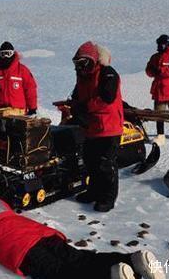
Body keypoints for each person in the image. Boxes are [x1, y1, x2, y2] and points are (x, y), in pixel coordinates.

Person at [0, 186, 165, 279]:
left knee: (62, 273)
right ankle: (132, 259)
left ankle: (112, 275)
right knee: (81, 258)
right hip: (43, 235)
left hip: (24, 251)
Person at [69, 41, 123, 212]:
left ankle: (108, 198)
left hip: (109, 126)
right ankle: (93, 191)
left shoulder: (108, 73)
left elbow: (107, 98)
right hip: (92, 127)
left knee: (106, 164)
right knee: (91, 162)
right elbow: (77, 95)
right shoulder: (83, 77)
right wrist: (75, 108)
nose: (79, 67)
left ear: (92, 60)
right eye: (77, 64)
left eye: (82, 63)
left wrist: (85, 107)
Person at [145, 34, 169, 145]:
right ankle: (160, 135)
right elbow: (148, 69)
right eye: (159, 44)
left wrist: (161, 71)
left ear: (167, 44)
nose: (160, 46)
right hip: (159, 90)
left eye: (162, 44)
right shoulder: (155, 57)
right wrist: (153, 71)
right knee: (158, 113)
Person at [0, 41, 38, 116]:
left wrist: (32, 108)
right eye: (3, 54)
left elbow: (30, 89)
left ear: (13, 54)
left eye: (8, 54)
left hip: (18, 111)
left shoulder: (22, 70)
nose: (6, 57)